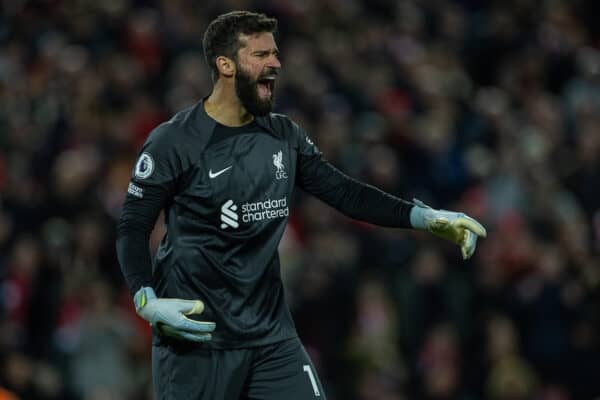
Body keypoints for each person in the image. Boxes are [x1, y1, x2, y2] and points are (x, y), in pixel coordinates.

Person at [116, 10, 487, 400]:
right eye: (260, 55)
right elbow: (132, 227)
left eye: (274, 53)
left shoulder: (283, 135)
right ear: (225, 65)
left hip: (270, 337)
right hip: (197, 339)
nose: (275, 63)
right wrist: (146, 299)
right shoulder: (174, 141)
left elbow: (345, 194)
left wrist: (424, 217)